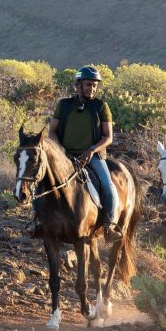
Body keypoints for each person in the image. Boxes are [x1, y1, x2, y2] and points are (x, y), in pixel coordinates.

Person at [48, 65, 121, 238]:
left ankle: (109, 226)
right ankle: (37, 222)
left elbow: (108, 137)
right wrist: (60, 151)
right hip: (65, 156)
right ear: (78, 85)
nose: (92, 89)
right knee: (43, 181)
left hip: (92, 157)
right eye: (88, 84)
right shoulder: (63, 105)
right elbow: (52, 131)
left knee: (107, 186)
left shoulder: (101, 107)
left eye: (95, 85)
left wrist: (91, 151)